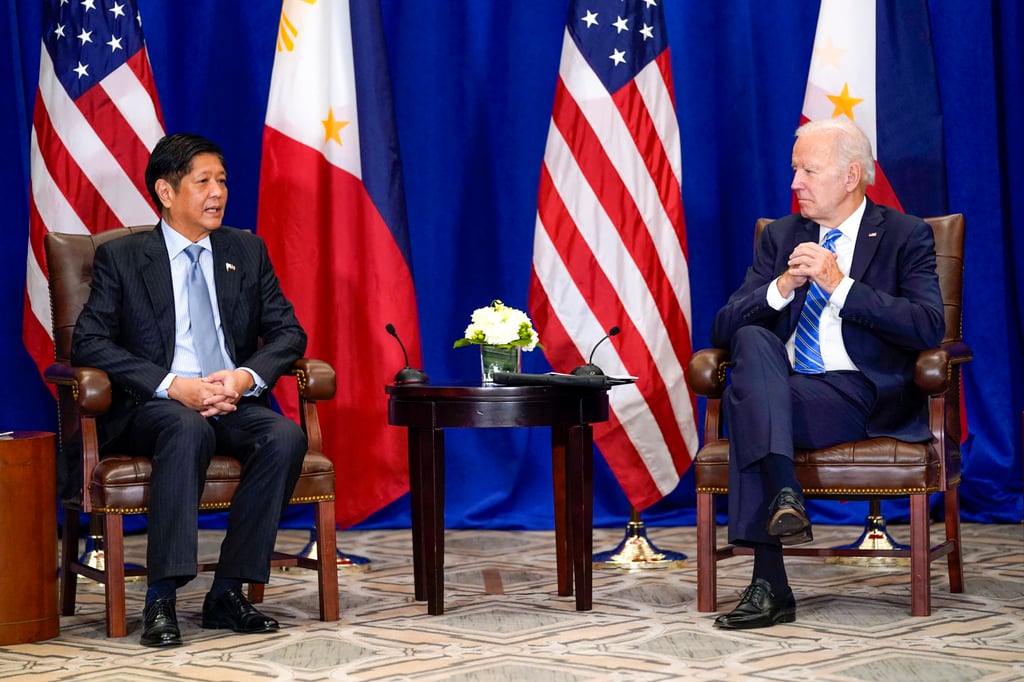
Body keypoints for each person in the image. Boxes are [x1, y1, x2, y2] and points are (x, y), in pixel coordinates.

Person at [71, 133, 309, 647]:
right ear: (165, 190)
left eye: (221, 180)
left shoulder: (246, 249)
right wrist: (172, 385)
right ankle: (162, 597)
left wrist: (244, 378)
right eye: (203, 182)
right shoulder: (125, 257)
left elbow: (289, 333)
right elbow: (87, 341)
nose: (217, 192)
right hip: (155, 407)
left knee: (284, 436)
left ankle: (227, 591)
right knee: (185, 427)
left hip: (232, 400)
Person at [708, 118, 945, 629]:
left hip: (857, 392)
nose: (795, 183)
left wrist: (840, 285)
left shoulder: (905, 235)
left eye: (808, 171)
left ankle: (770, 584)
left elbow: (927, 327)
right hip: (784, 388)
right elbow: (724, 327)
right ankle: (785, 497)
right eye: (795, 170)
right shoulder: (781, 236)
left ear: (851, 175)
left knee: (746, 404)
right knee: (751, 341)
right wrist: (782, 286)